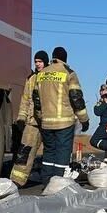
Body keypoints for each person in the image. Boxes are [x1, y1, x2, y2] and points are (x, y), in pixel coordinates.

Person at [36, 46, 89, 179]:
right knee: (62, 153)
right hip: (64, 123)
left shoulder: (41, 74)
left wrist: (40, 117)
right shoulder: (69, 73)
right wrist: (84, 120)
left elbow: (36, 99)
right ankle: (58, 183)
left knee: (48, 153)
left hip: (46, 123)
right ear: (65, 58)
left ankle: (46, 182)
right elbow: (76, 98)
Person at [10, 50, 49, 186]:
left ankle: (50, 180)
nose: (38, 64)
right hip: (32, 122)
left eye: (40, 62)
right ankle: (17, 181)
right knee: (24, 151)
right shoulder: (31, 79)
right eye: (36, 62)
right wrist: (22, 117)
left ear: (46, 62)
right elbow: (25, 99)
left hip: (48, 122)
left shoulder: (50, 78)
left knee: (50, 152)